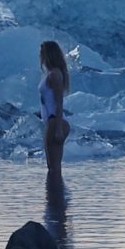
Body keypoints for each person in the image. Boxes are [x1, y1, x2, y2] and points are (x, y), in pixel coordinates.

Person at [38, 40, 71, 175]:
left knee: (53, 168)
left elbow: (59, 102)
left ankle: (56, 195)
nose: (40, 57)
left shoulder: (54, 75)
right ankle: (56, 195)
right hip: (53, 122)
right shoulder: (52, 73)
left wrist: (57, 128)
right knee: (53, 167)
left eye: (42, 53)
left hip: (55, 122)